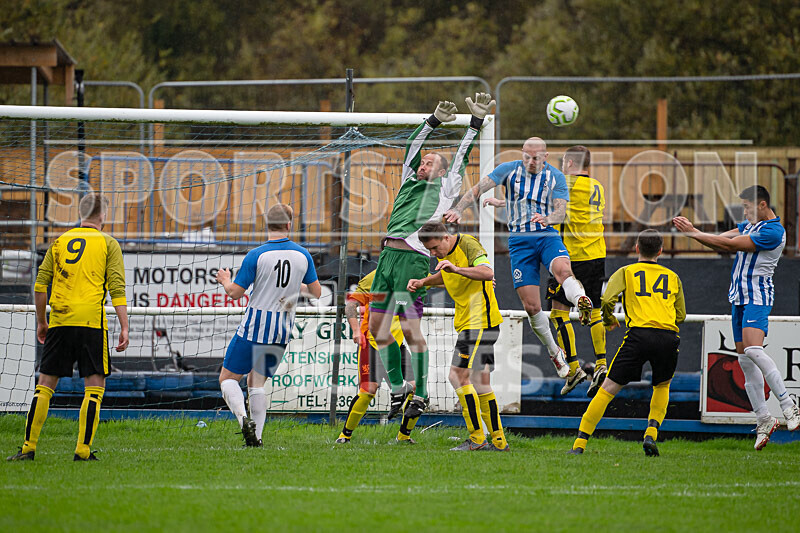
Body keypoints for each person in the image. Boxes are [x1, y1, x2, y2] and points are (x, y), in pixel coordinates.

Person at [368, 93, 494, 426]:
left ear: (441, 171)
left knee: (410, 330)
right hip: (387, 258)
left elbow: (463, 154)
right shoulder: (410, 179)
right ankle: (398, 388)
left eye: (430, 163)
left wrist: (476, 122)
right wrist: (433, 121)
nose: (423, 165)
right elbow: (412, 144)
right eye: (423, 162)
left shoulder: (448, 186)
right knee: (377, 329)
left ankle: (421, 392)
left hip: (412, 260)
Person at [444, 138, 593, 381]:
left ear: (545, 157)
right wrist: (459, 209)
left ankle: (580, 299)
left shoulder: (556, 177)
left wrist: (548, 218)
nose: (531, 162)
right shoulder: (508, 169)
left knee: (563, 271)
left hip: (545, 235)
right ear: (522, 154)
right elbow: (478, 188)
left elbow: (560, 211)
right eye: (527, 156)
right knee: (532, 307)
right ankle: (555, 354)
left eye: (536, 158)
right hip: (520, 243)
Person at [673, 185, 800, 449]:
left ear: (763, 205)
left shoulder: (773, 231)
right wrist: (695, 232)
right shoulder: (750, 225)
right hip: (739, 298)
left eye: (748, 206)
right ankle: (764, 418)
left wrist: (694, 232)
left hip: (757, 297)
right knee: (744, 360)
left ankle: (789, 404)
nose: (745, 211)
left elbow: (728, 244)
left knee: (753, 349)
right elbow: (719, 239)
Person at [8, 193, 129, 462]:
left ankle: (28, 448)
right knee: (94, 387)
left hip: (60, 321)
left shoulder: (59, 241)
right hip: (91, 322)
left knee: (45, 385)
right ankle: (82, 451)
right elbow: (117, 289)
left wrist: (42, 322)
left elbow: (40, 285)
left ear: (81, 213)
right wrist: (124, 326)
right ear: (102, 216)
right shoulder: (109, 243)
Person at [569, 230, 685, 456]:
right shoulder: (673, 277)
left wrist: (610, 319)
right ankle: (651, 434)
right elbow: (680, 314)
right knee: (662, 386)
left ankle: (579, 444)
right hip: (668, 336)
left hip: (639, 335)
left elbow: (607, 300)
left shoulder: (626, 272)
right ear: (660, 251)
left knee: (607, 389)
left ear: (637, 249)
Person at [216, 203, 321, 447]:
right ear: (289, 225)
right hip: (281, 329)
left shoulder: (256, 255)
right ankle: (257, 439)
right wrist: (297, 287)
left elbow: (234, 293)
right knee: (257, 383)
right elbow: (315, 292)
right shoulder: (303, 254)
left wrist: (225, 279)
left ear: (267, 224)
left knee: (227, 379)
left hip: (256, 325)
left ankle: (244, 422)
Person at [408, 222, 509, 451]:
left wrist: (456, 269)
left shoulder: (467, 244)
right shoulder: (447, 258)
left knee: (456, 376)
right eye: (430, 251)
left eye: (435, 248)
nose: (434, 254)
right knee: (481, 383)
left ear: (445, 237)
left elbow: (487, 272)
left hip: (479, 322)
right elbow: (446, 277)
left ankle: (476, 439)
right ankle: (499, 442)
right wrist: (424, 282)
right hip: (475, 323)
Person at [547, 146, 607, 396]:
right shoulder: (597, 186)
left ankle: (573, 369)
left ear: (569, 162)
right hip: (598, 254)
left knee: (558, 314)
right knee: (594, 312)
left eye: (563, 161)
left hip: (571, 258)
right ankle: (602, 363)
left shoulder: (563, 184)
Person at [336, 269, 414, 444]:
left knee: (416, 389)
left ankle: (404, 437)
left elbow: (437, 281)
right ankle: (344, 436)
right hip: (372, 344)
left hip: (397, 343)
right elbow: (350, 306)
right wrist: (356, 330)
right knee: (368, 390)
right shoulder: (372, 278)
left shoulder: (408, 274)